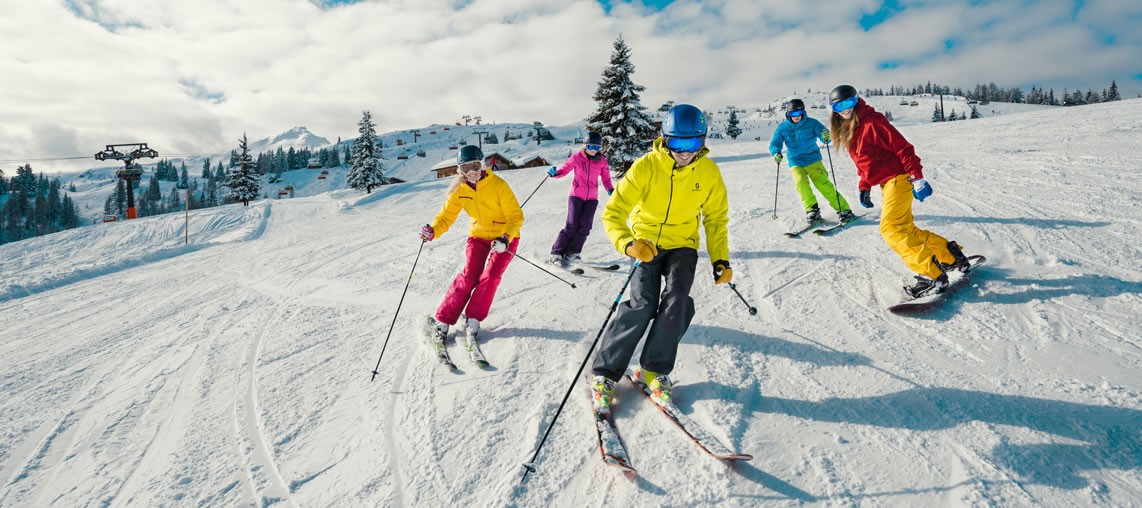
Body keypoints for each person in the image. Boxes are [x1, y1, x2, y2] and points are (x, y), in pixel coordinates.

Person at [588, 104, 732, 415]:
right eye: (676, 144)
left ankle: (653, 369)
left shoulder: (708, 172)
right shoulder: (646, 167)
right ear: (664, 140)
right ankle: (604, 374)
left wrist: (721, 259)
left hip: (683, 244)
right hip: (646, 243)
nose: (684, 152)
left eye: (691, 144)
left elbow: (716, 219)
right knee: (642, 304)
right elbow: (613, 213)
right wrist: (629, 244)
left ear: (702, 141)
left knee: (677, 301)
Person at [827, 84, 971, 298]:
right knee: (905, 229)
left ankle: (933, 275)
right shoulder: (849, 129)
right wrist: (864, 185)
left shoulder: (872, 121)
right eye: (840, 106)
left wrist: (917, 177)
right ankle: (951, 256)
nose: (845, 110)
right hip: (888, 182)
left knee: (891, 229)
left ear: (856, 101)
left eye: (849, 103)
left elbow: (903, 148)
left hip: (899, 178)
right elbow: (864, 162)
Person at [418, 144, 525, 351]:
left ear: (483, 163)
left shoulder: (499, 185)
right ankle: (443, 321)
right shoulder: (460, 190)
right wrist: (433, 231)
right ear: (460, 170)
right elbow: (445, 218)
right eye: (466, 168)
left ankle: (473, 319)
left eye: (475, 165)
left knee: (491, 275)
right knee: (469, 275)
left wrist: (504, 238)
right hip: (478, 235)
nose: (472, 171)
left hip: (505, 237)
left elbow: (515, 216)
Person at [769, 99, 854, 224]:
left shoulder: (812, 123)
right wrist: (776, 152)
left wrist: (825, 136)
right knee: (800, 183)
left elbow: (825, 136)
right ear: (788, 114)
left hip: (813, 159)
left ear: (803, 112)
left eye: (799, 113)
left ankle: (844, 210)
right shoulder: (783, 128)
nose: (796, 117)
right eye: (793, 114)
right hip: (795, 161)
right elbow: (775, 143)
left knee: (823, 184)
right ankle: (812, 210)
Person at [547, 131, 614, 268]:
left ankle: (573, 252)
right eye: (590, 147)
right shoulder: (576, 158)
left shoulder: (602, 161)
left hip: (592, 198)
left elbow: (606, 178)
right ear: (585, 145)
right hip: (576, 196)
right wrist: (555, 174)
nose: (593, 151)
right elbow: (564, 170)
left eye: (597, 148)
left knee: (585, 227)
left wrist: (610, 189)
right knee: (572, 225)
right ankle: (557, 253)